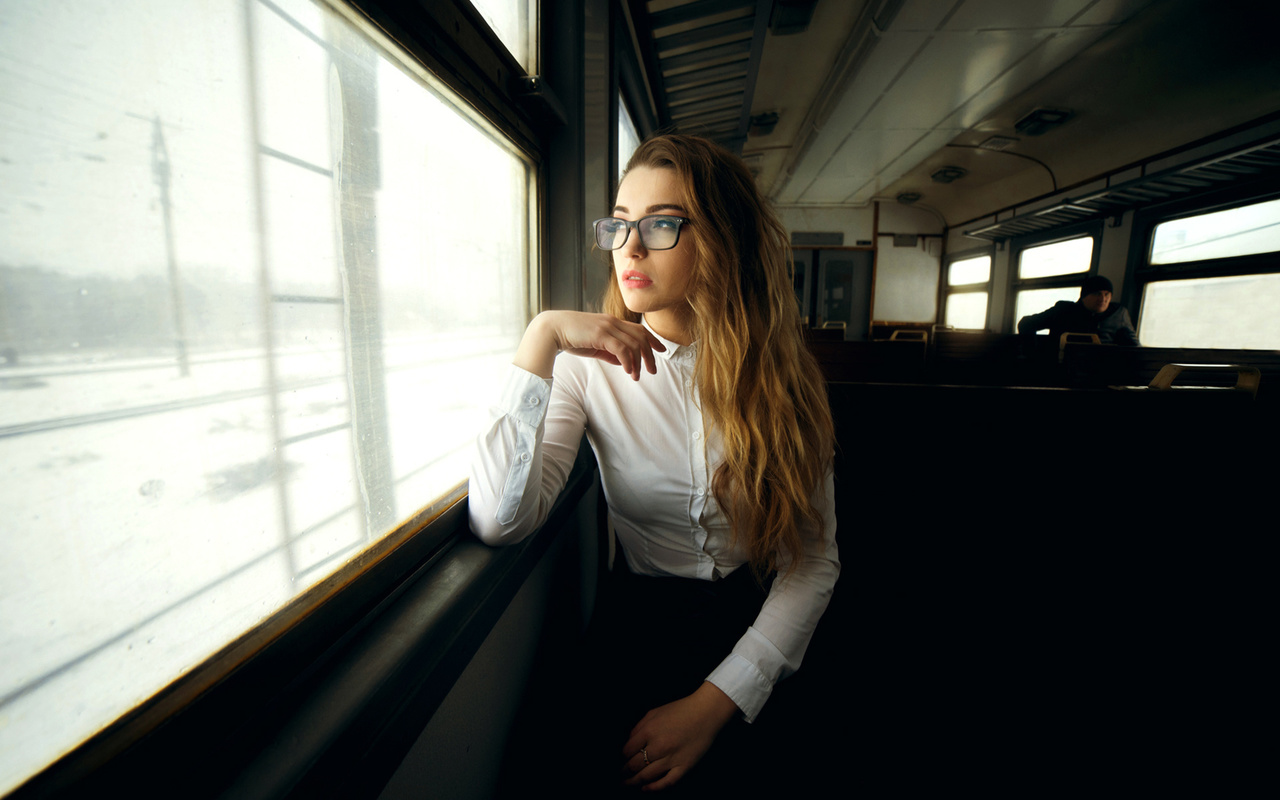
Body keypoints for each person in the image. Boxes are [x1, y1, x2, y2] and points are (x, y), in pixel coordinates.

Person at [468, 134, 839, 793]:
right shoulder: (586, 369)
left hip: (759, 624)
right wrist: (541, 339)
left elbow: (811, 563)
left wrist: (716, 701)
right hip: (638, 624)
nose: (629, 249)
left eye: (663, 224)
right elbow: (501, 520)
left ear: (725, 238)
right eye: (620, 224)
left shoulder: (787, 380)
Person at [1017, 275, 1140, 345]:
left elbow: (1134, 347)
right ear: (1084, 297)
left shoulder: (1119, 314)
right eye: (1097, 294)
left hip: (1102, 369)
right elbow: (1026, 323)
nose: (1103, 299)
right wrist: (1032, 352)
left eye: (1107, 294)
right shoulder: (1064, 311)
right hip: (1063, 366)